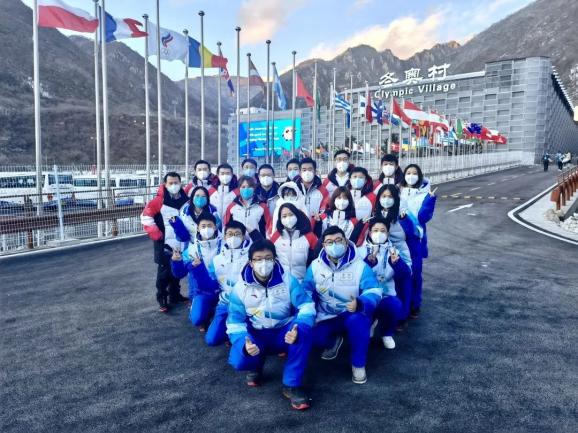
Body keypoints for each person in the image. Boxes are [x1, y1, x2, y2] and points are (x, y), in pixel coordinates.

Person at [227, 239, 315, 410]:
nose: (264, 263)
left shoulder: (288, 279)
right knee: (239, 359)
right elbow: (234, 322)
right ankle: (256, 365)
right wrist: (244, 342)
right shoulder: (240, 288)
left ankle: (292, 384)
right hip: (257, 335)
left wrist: (299, 325)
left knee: (303, 331)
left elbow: (306, 305)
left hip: (284, 332)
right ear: (250, 262)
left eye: (268, 258)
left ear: (275, 260)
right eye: (258, 259)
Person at [302, 226, 382, 384]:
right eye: (329, 242)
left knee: (359, 324)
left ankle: (358, 364)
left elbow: (374, 290)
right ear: (323, 245)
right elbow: (306, 290)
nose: (334, 245)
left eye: (338, 240)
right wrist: (308, 311)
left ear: (345, 242)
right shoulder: (315, 266)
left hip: (352, 313)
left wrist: (360, 303)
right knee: (311, 336)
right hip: (326, 315)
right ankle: (334, 341)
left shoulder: (360, 266)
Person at [183, 220, 251, 346]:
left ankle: (242, 330)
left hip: (246, 303)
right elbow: (211, 285)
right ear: (224, 236)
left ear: (243, 236)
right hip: (225, 301)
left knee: (247, 332)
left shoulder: (252, 257)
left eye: (237, 234)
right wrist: (198, 270)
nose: (233, 237)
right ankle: (220, 320)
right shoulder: (217, 259)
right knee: (211, 340)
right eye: (230, 234)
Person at [357, 218, 411, 349]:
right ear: (370, 232)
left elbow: (405, 275)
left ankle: (387, 333)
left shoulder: (394, 251)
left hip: (386, 293)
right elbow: (356, 276)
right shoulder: (360, 251)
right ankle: (370, 324)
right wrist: (369, 262)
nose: (379, 234)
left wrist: (397, 263)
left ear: (387, 233)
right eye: (375, 230)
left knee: (395, 306)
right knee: (365, 308)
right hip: (367, 294)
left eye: (383, 231)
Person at [140, 172, 190, 312]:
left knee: (176, 271)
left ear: (180, 183)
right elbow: (145, 217)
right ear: (165, 184)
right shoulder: (158, 201)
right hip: (164, 243)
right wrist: (157, 234)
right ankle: (162, 298)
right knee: (163, 273)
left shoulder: (186, 199)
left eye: (176, 182)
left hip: (180, 243)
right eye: (170, 183)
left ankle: (175, 295)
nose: (174, 185)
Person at [170, 212, 221, 331]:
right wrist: (176, 262)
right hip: (202, 291)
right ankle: (205, 310)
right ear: (198, 228)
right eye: (203, 226)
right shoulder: (191, 249)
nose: (207, 229)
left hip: (222, 289)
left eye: (210, 226)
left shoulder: (225, 245)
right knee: (197, 319)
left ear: (215, 227)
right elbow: (180, 273)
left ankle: (216, 313)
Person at [399, 164, 437, 319]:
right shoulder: (397, 191)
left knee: (415, 274)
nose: (411, 176)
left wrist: (430, 201)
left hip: (414, 238)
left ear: (419, 176)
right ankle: (402, 306)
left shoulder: (425, 194)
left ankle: (414, 304)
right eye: (408, 173)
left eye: (414, 173)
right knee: (399, 274)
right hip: (397, 238)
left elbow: (423, 218)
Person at [270, 203, 318, 282]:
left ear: (297, 215)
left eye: (291, 214)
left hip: (303, 282)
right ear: (280, 219)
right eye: (284, 216)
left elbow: (316, 259)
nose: (288, 218)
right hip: (281, 282)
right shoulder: (276, 236)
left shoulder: (309, 236)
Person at [224, 176, 271, 241]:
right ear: (239, 189)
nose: (246, 189)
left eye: (249, 187)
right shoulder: (232, 206)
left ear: (254, 188)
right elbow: (226, 225)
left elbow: (269, 227)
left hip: (257, 242)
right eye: (243, 187)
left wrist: (266, 242)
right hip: (237, 241)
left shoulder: (263, 206)